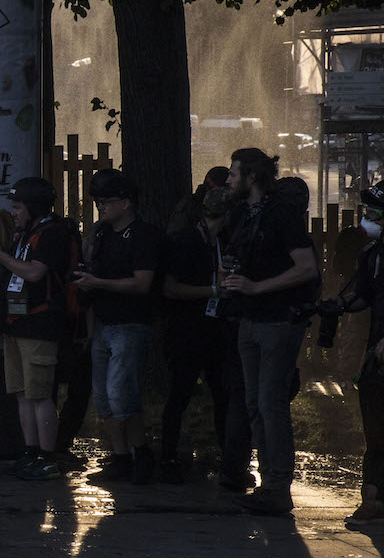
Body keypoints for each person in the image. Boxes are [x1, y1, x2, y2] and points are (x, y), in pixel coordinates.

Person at [220, 147, 321, 515]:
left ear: (251, 177)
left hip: (278, 321)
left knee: (269, 403)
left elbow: (306, 267)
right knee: (254, 404)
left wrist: (256, 287)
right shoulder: (243, 215)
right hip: (249, 321)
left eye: (233, 174)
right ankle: (267, 484)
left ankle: (278, 487)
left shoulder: (281, 215)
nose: (227, 180)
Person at [0, 176, 74, 480]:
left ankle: (47, 457)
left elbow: (35, 273)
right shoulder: (24, 234)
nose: (14, 212)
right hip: (16, 323)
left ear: (32, 207)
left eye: (18, 206)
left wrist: (1, 257)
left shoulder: (51, 234)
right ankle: (29, 452)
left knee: (40, 394)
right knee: (21, 393)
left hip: (40, 325)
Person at [75, 169, 167, 484]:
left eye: (107, 202)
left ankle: (141, 453)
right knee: (102, 395)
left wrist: (97, 282)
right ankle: (121, 456)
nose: (101, 208)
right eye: (99, 202)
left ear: (126, 203)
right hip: (102, 321)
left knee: (120, 393)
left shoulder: (144, 235)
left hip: (130, 322)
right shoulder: (101, 234)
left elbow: (142, 283)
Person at [157, 185, 241, 483]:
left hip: (212, 329)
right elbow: (170, 288)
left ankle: (228, 459)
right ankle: (167, 456)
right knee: (180, 393)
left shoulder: (219, 241)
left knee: (222, 393)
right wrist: (213, 291)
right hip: (187, 331)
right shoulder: (189, 242)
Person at [326, 183, 384, 529]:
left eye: (375, 212)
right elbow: (361, 294)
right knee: (375, 429)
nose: (368, 219)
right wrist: (337, 304)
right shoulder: (372, 255)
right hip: (375, 359)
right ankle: (373, 498)